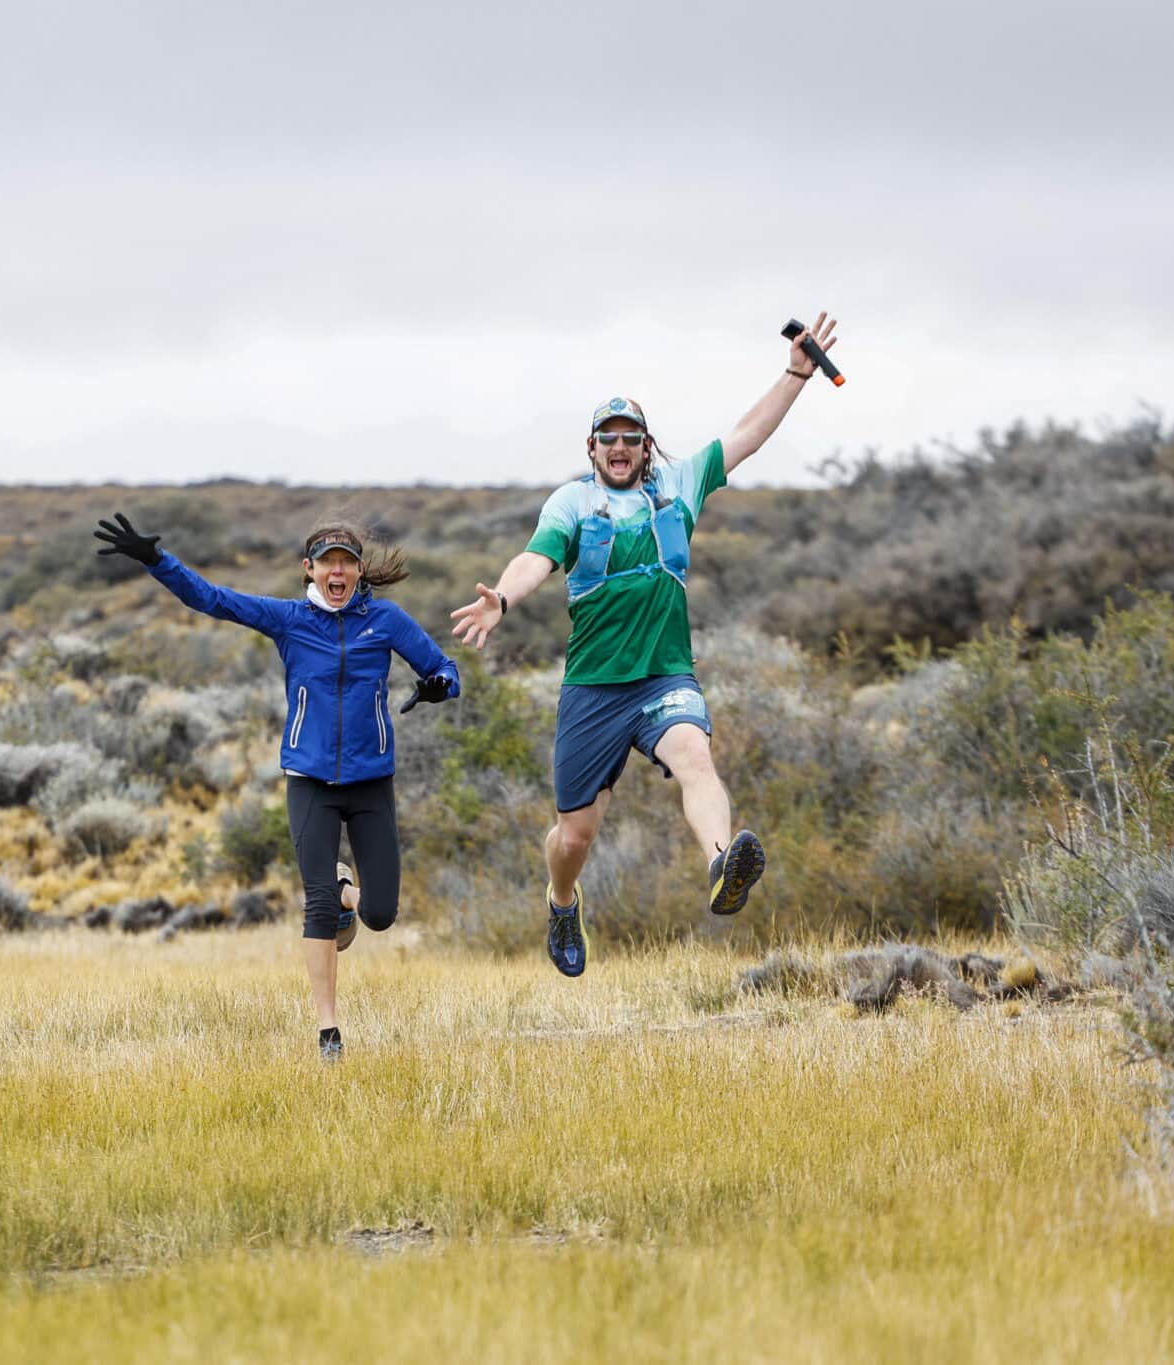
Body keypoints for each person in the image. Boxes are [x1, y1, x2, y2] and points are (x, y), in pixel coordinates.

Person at [449, 314, 842, 978]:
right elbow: (533, 560)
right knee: (575, 835)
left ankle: (723, 864)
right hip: (595, 687)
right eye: (610, 440)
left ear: (648, 445)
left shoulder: (680, 485)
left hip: (664, 676)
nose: (621, 448)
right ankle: (562, 898)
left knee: (694, 753)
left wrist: (798, 373)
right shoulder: (572, 503)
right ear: (593, 448)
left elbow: (747, 434)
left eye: (632, 438)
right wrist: (503, 599)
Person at [95, 510, 460, 1058]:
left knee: (380, 915)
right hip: (309, 780)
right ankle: (328, 1033)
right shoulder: (288, 620)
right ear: (308, 569)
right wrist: (156, 561)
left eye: (348, 563)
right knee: (316, 906)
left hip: (370, 784)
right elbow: (211, 599)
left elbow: (445, 667)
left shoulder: (385, 621)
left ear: (359, 573)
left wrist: (439, 685)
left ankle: (347, 893)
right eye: (327, 563)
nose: (338, 572)